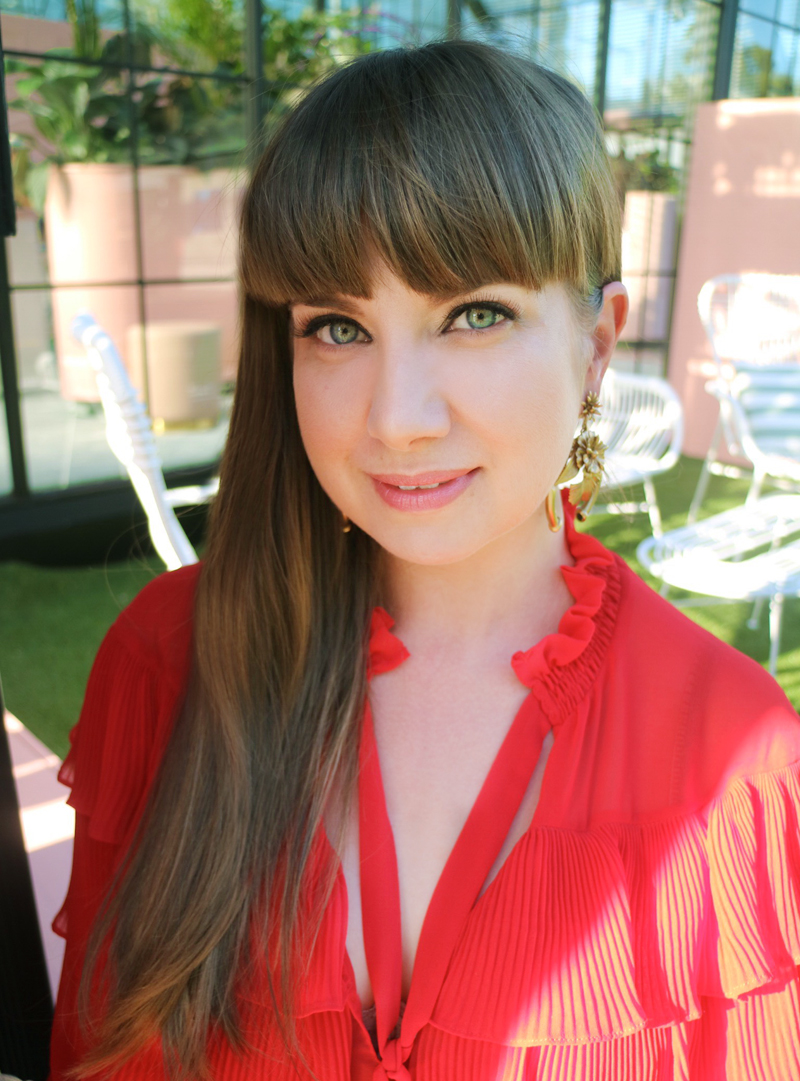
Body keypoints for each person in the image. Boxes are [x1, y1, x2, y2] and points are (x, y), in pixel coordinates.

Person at [50, 40, 800, 1081]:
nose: (396, 419)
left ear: (595, 346)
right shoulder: (166, 665)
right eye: (337, 327)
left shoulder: (738, 757)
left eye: (472, 314)